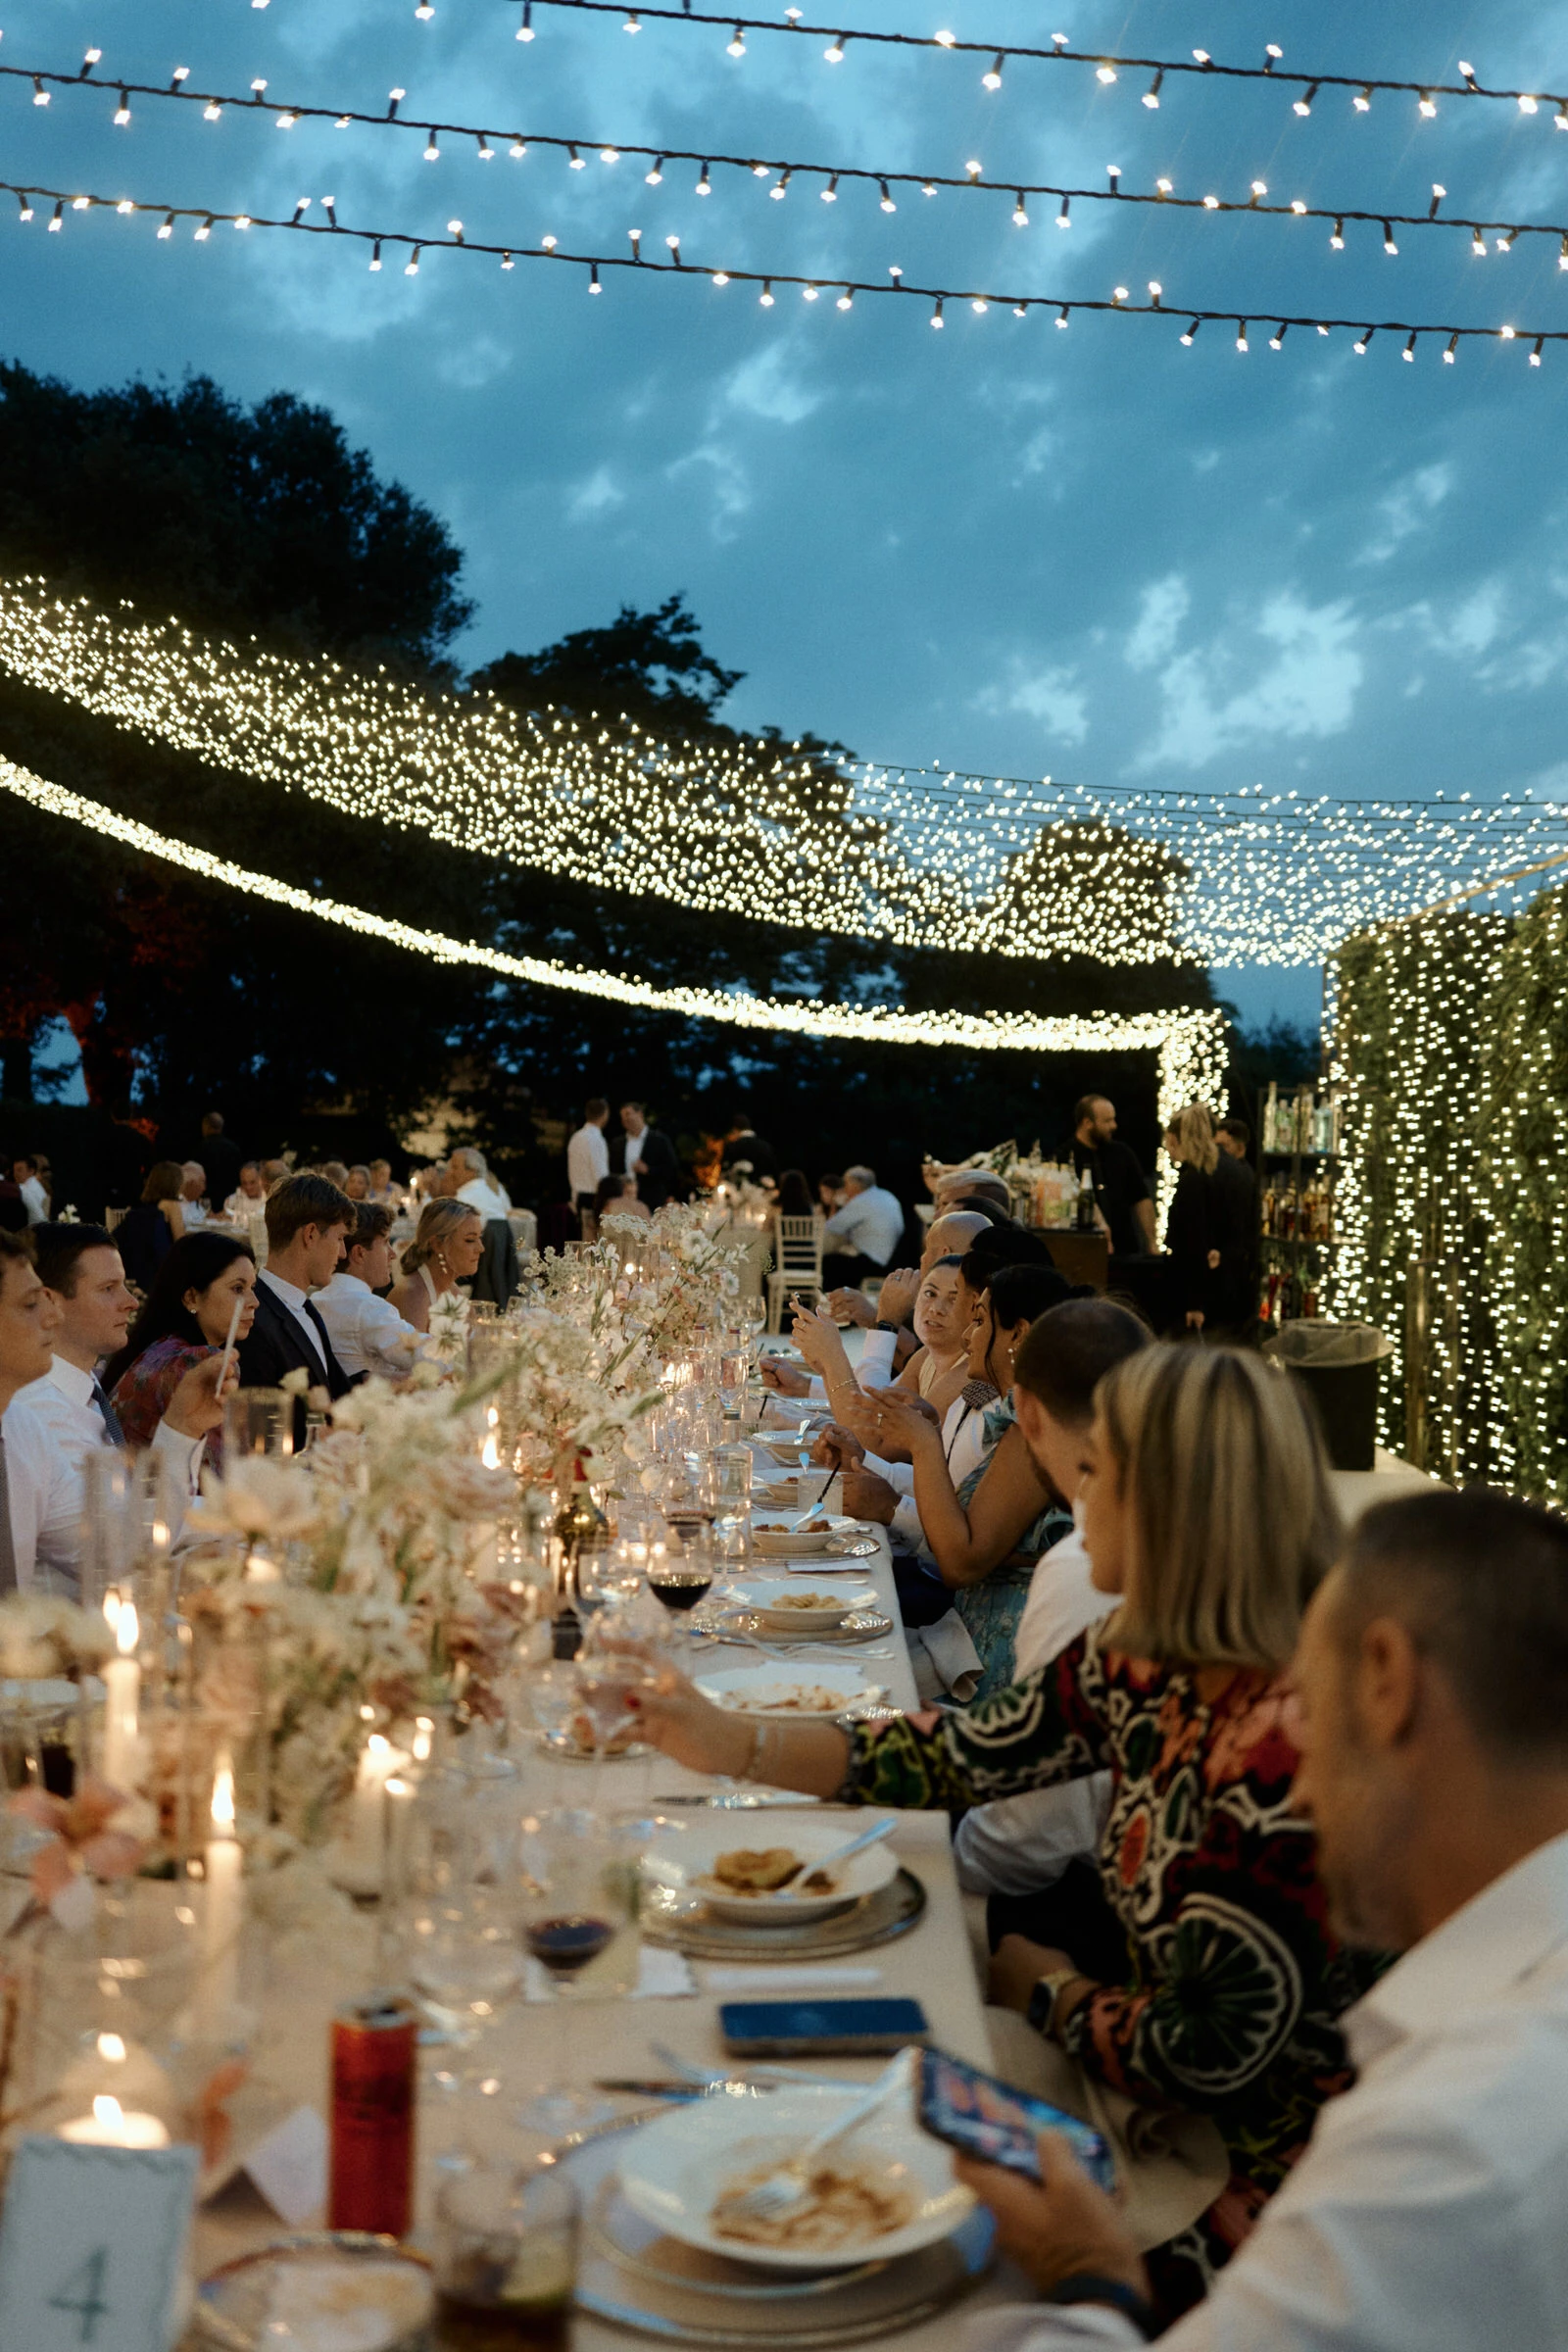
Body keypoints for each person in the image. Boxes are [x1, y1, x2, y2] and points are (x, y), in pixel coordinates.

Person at [631, 1344, 1366, 2313]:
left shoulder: (1280, 1749)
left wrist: (1046, 1993)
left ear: (1178, 1507)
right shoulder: (1145, 1657)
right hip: (1134, 2084)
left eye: (1096, 1473)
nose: (1071, 1499)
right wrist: (730, 1743)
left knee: (909, 2260)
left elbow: (1206, 2050)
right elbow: (963, 1755)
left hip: (1255, 2193)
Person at [955, 1486, 1568, 2351]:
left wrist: (1092, 2278)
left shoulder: (1455, 2136)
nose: (1305, 1790)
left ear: (1388, 1682)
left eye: (1315, 1714)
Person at [957, 1298, 1153, 1976]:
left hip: (1102, 1923)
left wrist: (927, 1853)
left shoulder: (1090, 1562)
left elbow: (1033, 1838)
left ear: (1028, 1412)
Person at [837, 1261, 1076, 1696]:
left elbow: (957, 1562)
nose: (968, 1336)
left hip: (987, 1660)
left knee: (841, 1672)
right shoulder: (1009, 1411)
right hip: (958, 1630)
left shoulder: (1032, 1431)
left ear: (1018, 1335)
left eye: (980, 1320)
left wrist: (924, 1445)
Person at [1, 1229, 226, 1593]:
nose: (49, 1317)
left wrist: (182, 1427)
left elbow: (115, 1550)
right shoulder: (38, 1409)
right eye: (31, 1304)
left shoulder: (24, 1427)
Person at [106, 1233, 258, 1458]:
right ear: (191, 1298)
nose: (254, 1302)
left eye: (253, 1287)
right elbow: (223, 1472)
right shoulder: (195, 1363)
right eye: (238, 1289)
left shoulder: (160, 1348)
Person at [236, 1171, 356, 1405]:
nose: (342, 1253)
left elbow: (339, 1394)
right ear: (310, 1234)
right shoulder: (253, 1322)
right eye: (339, 1238)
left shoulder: (305, 1308)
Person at [312, 1204, 421, 1381]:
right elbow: (427, 1354)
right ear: (360, 1254)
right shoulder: (366, 1307)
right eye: (385, 1243)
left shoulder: (317, 1300)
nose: (392, 1254)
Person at [1068, 1098, 1156, 1257]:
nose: (1114, 1126)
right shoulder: (1067, 1156)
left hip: (1125, 1249)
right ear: (1087, 1123)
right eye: (1107, 1121)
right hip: (1084, 1250)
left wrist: (1152, 1242)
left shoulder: (1122, 1153)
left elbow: (1141, 1199)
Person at [1162, 1105, 1223, 1334]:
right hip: (1201, 1285)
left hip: (1187, 1289)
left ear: (1177, 1140)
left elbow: (1194, 1241)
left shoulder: (1191, 1181)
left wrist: (1194, 1303)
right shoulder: (1207, 1176)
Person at [388, 1200, 484, 1337]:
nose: (481, 1248)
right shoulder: (414, 1295)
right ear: (438, 1244)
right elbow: (413, 1357)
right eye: (470, 1240)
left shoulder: (451, 1290)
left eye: (480, 1238)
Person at [820, 1164, 905, 1288]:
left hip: (871, 1261)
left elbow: (832, 1227)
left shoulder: (862, 1200)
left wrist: (835, 1203)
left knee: (827, 1262)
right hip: (889, 1259)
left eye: (846, 1185)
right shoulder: (885, 1195)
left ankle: (830, 1305)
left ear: (855, 1185)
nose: (844, 1189)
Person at [116, 1161, 187, 1289]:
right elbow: (181, 1243)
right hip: (162, 1268)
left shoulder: (139, 1210)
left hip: (135, 1268)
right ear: (176, 1183)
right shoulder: (171, 1205)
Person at [614, 1103, 679, 1212]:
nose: (625, 1119)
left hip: (652, 1203)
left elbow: (672, 1170)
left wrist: (648, 1170)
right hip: (625, 1204)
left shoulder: (659, 1140)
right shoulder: (618, 1143)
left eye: (628, 1114)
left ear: (640, 1114)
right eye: (622, 1117)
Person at [567, 1099, 611, 1219]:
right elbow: (600, 1175)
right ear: (605, 1114)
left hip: (577, 1195)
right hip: (593, 1198)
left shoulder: (576, 1137)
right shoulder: (597, 1140)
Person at [451, 1148, 513, 1222]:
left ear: (472, 1171)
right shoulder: (495, 1190)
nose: (451, 1173)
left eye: (455, 1167)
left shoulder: (463, 1199)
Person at [198, 1110, 244, 1205]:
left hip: (207, 1199)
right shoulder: (233, 1148)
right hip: (229, 1198)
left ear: (206, 1126)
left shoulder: (201, 1148)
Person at [721, 1108, 778, 1184]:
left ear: (734, 1130)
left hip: (735, 1192)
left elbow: (725, 1173)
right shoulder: (766, 1147)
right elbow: (774, 1172)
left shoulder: (732, 1147)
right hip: (762, 1192)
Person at [12, 1155, 48, 1225]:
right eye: (14, 1171)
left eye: (19, 1170)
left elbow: (38, 1217)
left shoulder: (25, 1188)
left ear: (31, 1171)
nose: (15, 1174)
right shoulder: (35, 1185)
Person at [179, 1161, 210, 1226]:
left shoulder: (193, 1203)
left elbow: (205, 1220)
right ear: (190, 1183)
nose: (204, 1188)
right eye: (202, 1182)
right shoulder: (176, 1204)